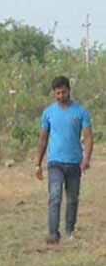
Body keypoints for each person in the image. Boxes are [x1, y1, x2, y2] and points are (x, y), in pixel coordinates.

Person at [35, 76, 93, 245]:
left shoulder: (81, 112)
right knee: (55, 196)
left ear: (69, 90)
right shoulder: (48, 113)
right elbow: (43, 140)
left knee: (73, 198)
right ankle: (53, 233)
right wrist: (38, 164)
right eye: (57, 93)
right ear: (54, 94)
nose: (60, 96)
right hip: (55, 163)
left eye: (63, 92)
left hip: (75, 162)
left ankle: (69, 230)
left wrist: (87, 159)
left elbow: (89, 137)